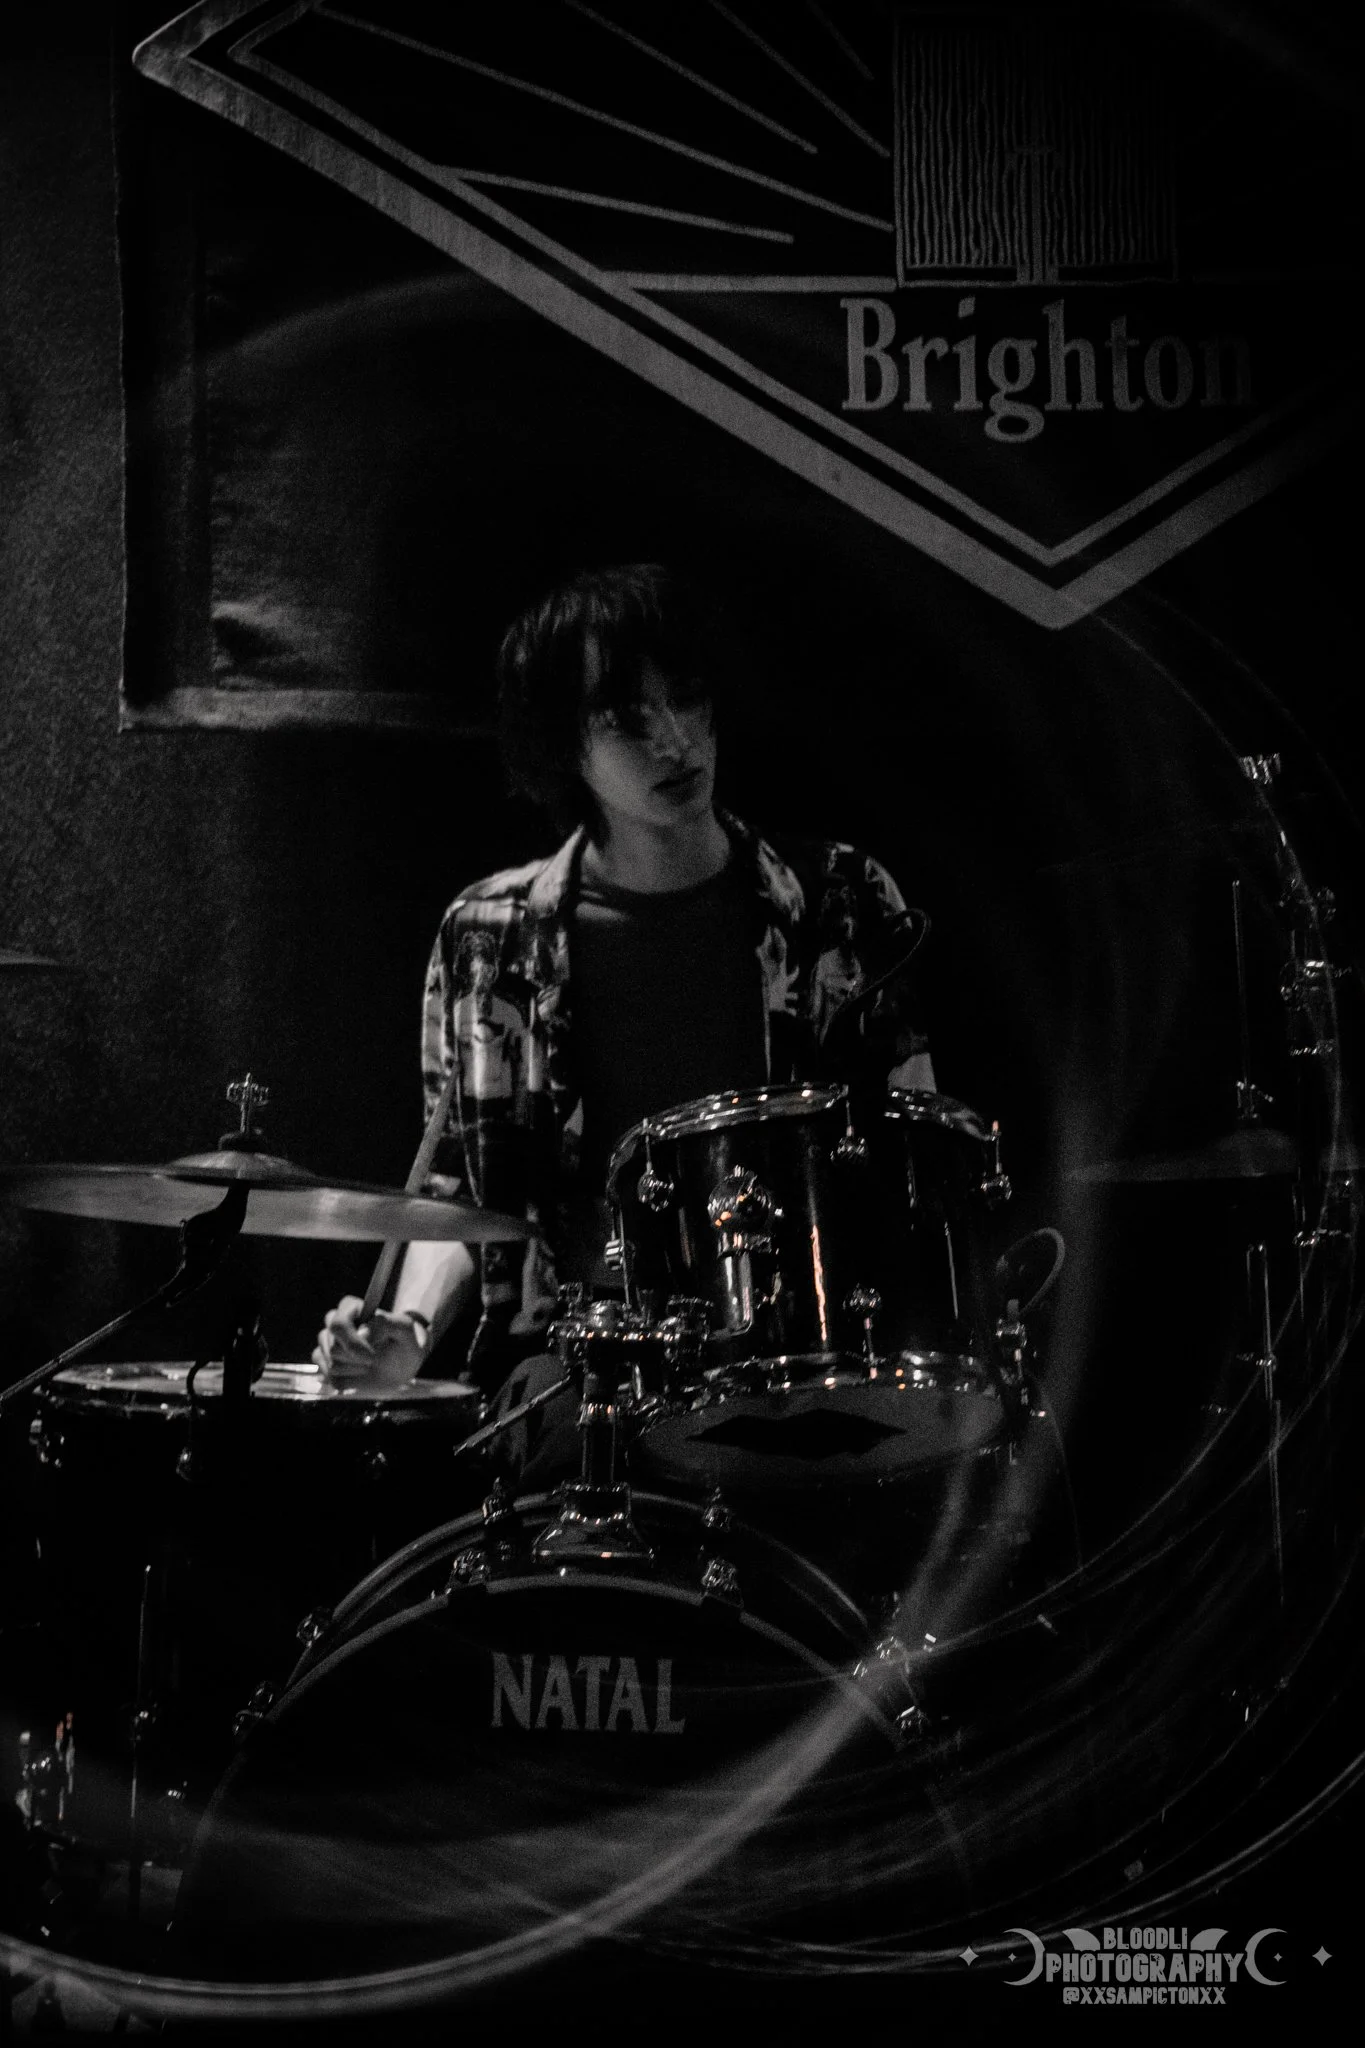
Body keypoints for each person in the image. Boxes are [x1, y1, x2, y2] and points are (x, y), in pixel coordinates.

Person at [314, 565, 935, 1447]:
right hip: (584, 1364)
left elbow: (913, 1151)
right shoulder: (488, 938)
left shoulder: (842, 900)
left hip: (810, 1347)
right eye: (626, 720)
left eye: (687, 701)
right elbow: (461, 1197)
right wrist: (407, 1337)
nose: (675, 741)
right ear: (563, 742)